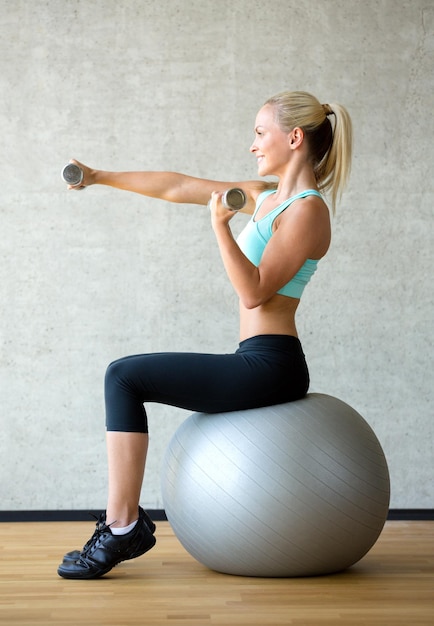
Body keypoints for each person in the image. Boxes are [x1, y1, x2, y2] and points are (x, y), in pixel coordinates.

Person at [57, 90, 353, 579]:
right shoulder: (263, 196)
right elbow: (178, 186)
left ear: (294, 137)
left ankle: (122, 525)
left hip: (272, 365)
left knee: (123, 377)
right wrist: (100, 176)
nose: (254, 145)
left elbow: (255, 292)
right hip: (254, 355)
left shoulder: (306, 211)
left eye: (261, 133)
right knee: (124, 377)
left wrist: (219, 229)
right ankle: (121, 525)